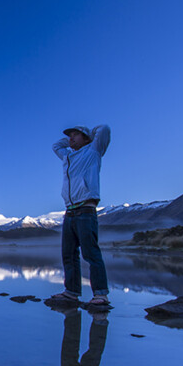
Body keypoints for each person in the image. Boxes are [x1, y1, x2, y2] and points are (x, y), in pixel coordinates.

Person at [51, 125, 111, 306]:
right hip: (69, 211)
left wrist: (90, 135)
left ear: (86, 138)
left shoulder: (93, 152)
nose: (71, 138)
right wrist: (71, 140)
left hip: (86, 209)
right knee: (68, 254)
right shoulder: (67, 156)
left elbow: (105, 129)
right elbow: (56, 146)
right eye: (70, 135)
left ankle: (100, 294)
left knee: (91, 253)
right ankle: (71, 292)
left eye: (76, 135)